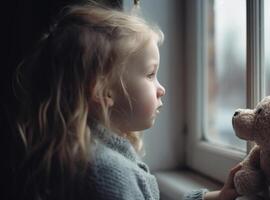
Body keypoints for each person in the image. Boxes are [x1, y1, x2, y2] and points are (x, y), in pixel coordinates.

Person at [13, 2, 241, 200]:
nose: (161, 89)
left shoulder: (82, 157)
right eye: (151, 74)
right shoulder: (108, 174)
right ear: (104, 91)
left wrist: (212, 197)